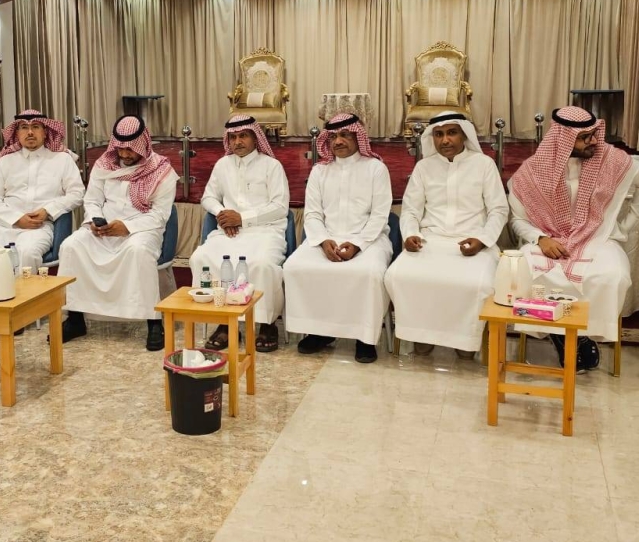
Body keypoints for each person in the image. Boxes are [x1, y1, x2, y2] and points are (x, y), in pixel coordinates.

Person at [509, 106, 639, 370]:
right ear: (563, 138)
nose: (593, 141)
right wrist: (540, 238)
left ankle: (581, 334)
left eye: (593, 134)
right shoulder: (533, 170)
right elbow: (517, 220)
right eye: (584, 137)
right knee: (524, 272)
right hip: (549, 240)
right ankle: (559, 332)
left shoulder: (610, 159)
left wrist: (623, 226)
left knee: (612, 276)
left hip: (596, 239)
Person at [385, 112, 508, 357]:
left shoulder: (484, 165)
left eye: (452, 133)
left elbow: (499, 210)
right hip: (430, 240)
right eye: (439, 134)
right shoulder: (424, 167)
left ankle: (465, 339)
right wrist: (410, 234)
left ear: (464, 135)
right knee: (399, 275)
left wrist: (482, 240)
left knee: (478, 284)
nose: (445, 140)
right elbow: (410, 210)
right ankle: (420, 334)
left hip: (474, 241)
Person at [58, 115, 178, 351]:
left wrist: (127, 227)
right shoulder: (104, 164)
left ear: (142, 144)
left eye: (130, 149)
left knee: (138, 251)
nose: (123, 154)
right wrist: (94, 221)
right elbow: (92, 200)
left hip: (143, 228)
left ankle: (153, 321)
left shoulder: (162, 170)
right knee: (71, 246)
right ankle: (75, 318)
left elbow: (160, 215)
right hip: (104, 229)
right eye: (120, 148)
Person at [283, 114, 393, 363]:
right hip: (326, 238)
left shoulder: (375, 168)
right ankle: (319, 331)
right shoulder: (320, 171)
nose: (338, 141)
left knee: (369, 273)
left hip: (369, 239)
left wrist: (357, 245)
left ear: (358, 136)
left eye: (345, 135)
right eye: (332, 137)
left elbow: (380, 215)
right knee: (295, 267)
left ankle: (365, 338)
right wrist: (323, 241)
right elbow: (312, 214)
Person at [192, 114, 289, 353]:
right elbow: (208, 197)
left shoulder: (271, 166)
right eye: (233, 137)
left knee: (262, 264)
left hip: (265, 232)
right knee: (201, 258)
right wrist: (223, 213)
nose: (237, 142)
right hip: (228, 232)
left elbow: (280, 207)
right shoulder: (222, 165)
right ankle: (224, 322)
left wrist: (242, 218)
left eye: (243, 136)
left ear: (255, 138)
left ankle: (267, 324)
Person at [0, 110, 83, 275]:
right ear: (17, 133)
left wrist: (48, 211)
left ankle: (22, 293)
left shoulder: (62, 159)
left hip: (38, 227)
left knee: (27, 254)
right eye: (24, 127)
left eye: (35, 127)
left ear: (45, 132)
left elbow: (77, 193)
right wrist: (16, 219)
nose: (30, 132)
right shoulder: (6, 161)